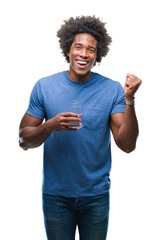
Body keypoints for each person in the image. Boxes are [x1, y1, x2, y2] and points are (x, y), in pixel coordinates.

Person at [19, 16, 142, 240]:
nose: (84, 54)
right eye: (78, 47)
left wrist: (129, 100)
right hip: (56, 196)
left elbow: (127, 144)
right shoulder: (44, 87)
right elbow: (23, 140)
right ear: (68, 49)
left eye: (91, 50)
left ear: (98, 54)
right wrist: (50, 126)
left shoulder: (111, 89)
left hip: (96, 196)